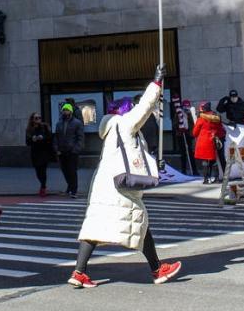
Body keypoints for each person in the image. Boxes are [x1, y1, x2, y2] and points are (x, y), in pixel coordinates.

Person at [67, 69, 182, 289]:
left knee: (94, 226)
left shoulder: (111, 128)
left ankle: (79, 272)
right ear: (126, 111)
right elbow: (146, 106)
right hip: (121, 185)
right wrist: (156, 83)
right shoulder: (124, 123)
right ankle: (157, 270)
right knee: (140, 220)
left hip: (104, 184)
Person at [54, 102, 84, 198]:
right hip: (61, 151)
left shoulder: (77, 123)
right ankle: (70, 187)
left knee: (72, 171)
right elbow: (56, 137)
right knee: (65, 171)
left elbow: (80, 137)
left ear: (70, 111)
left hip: (72, 151)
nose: (64, 112)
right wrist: (56, 148)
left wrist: (76, 149)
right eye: (63, 110)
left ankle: (74, 190)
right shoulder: (59, 123)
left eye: (66, 110)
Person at [191, 101, 225, 183]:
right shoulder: (216, 118)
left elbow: (194, 132)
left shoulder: (201, 119)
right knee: (214, 160)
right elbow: (221, 130)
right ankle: (216, 178)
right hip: (213, 140)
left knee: (205, 161)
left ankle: (206, 179)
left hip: (203, 142)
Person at [25, 112, 55, 197]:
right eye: (36, 118)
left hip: (44, 152)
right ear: (32, 119)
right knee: (38, 172)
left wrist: (43, 138)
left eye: (39, 118)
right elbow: (27, 142)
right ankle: (42, 185)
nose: (38, 119)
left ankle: (43, 187)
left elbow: (50, 138)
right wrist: (32, 139)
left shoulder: (45, 127)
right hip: (35, 153)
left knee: (43, 170)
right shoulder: (29, 129)